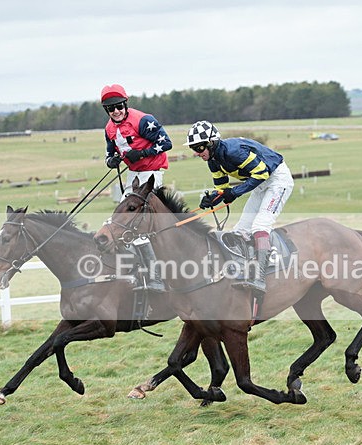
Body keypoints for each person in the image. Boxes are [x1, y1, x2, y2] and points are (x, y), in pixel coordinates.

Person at [188, 120, 294, 294]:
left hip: (277, 179)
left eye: (199, 148)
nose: (197, 153)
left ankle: (259, 278)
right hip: (260, 183)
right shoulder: (213, 160)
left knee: (260, 225)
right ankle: (246, 268)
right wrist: (212, 199)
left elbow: (262, 172)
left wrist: (235, 192)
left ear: (211, 143)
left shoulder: (233, 151)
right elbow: (222, 190)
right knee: (240, 230)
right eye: (193, 148)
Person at [101, 83, 172, 291]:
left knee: (138, 225)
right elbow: (109, 153)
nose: (116, 111)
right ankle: (132, 269)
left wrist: (141, 154)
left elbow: (166, 143)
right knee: (118, 222)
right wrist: (111, 161)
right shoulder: (109, 129)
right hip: (133, 175)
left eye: (119, 106)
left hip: (151, 173)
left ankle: (156, 277)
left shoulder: (143, 120)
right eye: (111, 108)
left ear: (125, 104)